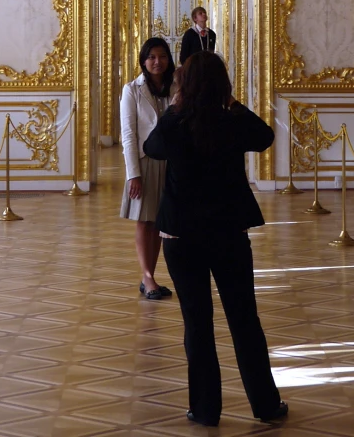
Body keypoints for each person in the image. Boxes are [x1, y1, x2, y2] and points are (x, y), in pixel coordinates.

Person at [143, 51, 288, 426]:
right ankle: (266, 406)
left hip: (182, 236)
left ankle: (206, 410)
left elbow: (151, 147)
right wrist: (233, 103)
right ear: (222, 86)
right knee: (244, 320)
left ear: (184, 85)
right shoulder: (231, 121)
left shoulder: (176, 122)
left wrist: (175, 107)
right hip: (228, 233)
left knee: (198, 323)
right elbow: (265, 136)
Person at [119, 37, 176, 301]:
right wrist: (133, 174)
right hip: (144, 159)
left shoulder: (177, 87)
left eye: (162, 56)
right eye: (152, 57)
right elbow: (129, 134)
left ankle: (149, 276)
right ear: (143, 60)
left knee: (161, 221)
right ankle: (148, 276)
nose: (157, 62)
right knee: (145, 220)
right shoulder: (132, 90)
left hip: (172, 160)